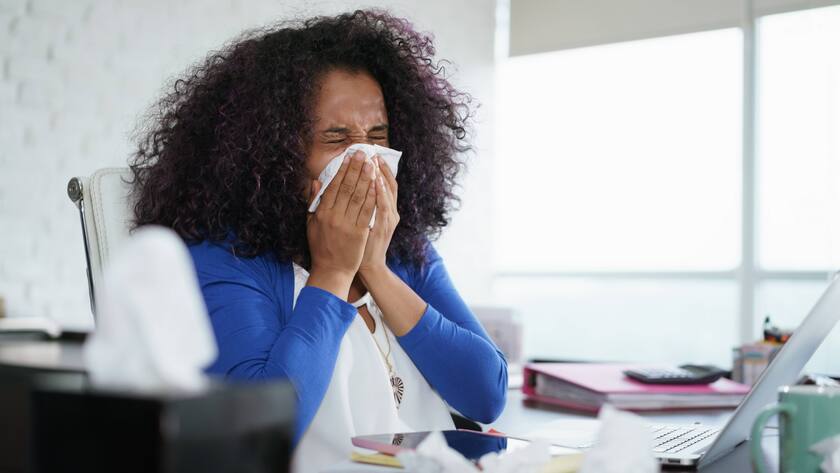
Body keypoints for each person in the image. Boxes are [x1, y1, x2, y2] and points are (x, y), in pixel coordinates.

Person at [128, 9, 507, 471]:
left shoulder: (405, 248)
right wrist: (334, 272)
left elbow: (487, 395)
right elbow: (254, 439)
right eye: (336, 138)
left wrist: (375, 269)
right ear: (272, 153)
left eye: (378, 135)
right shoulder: (224, 256)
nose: (366, 158)